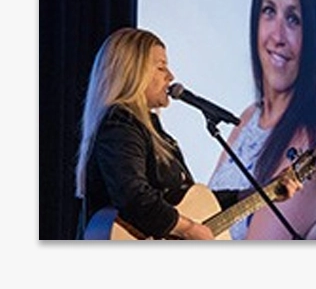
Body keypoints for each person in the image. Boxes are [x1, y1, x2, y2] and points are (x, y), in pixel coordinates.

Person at [77, 28, 299, 240]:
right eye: (161, 67)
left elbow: (198, 206)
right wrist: (188, 229)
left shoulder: (150, 129)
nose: (171, 76)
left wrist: (262, 193)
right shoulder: (120, 124)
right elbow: (134, 197)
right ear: (133, 71)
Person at [208, 0, 316, 239]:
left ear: (309, 35)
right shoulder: (249, 117)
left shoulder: (308, 146)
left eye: (293, 19)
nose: (278, 36)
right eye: (269, 11)